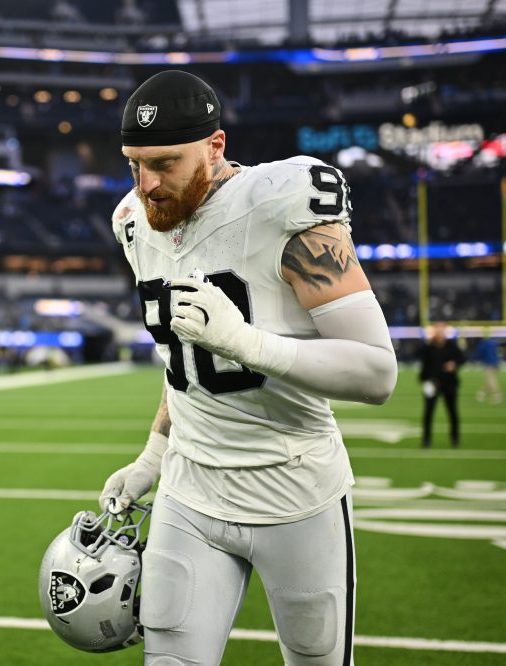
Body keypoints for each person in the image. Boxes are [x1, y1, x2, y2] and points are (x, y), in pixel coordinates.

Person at [99, 70, 397, 666]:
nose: (147, 184)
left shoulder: (282, 204)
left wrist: (245, 342)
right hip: (189, 490)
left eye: (165, 163)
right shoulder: (133, 221)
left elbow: (376, 372)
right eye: (135, 165)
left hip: (295, 492)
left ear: (215, 146)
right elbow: (184, 362)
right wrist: (153, 456)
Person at [419, 321, 465, 447]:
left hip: (449, 383)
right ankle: (426, 440)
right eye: (437, 329)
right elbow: (420, 357)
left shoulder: (451, 345)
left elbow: (462, 358)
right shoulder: (429, 347)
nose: (439, 332)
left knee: (452, 411)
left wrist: (454, 364)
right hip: (432, 383)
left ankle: (455, 439)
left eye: (442, 330)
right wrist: (425, 379)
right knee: (428, 412)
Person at [472, 330, 501, 404]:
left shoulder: (484, 343)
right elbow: (496, 353)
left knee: (491, 379)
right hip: (494, 362)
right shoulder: (494, 343)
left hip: (488, 362)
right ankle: (482, 394)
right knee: (489, 379)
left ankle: (496, 395)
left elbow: (479, 352)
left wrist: (474, 359)